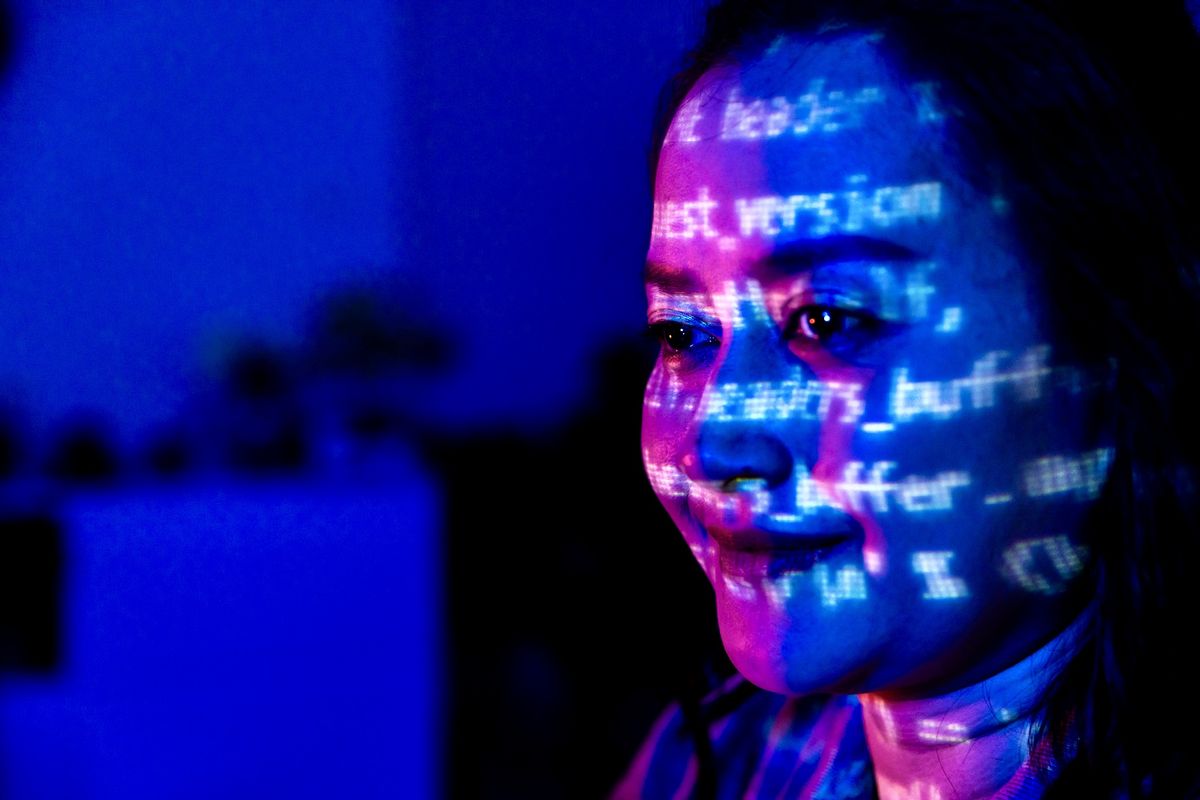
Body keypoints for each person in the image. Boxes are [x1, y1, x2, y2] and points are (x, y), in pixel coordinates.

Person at [615, 1, 1200, 797]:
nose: (712, 445)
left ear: (1104, 348)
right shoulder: (717, 759)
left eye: (828, 320)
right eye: (681, 332)